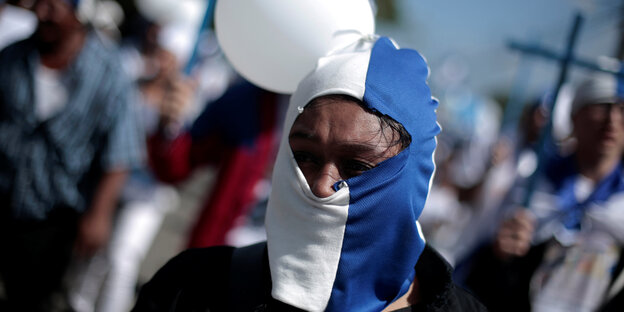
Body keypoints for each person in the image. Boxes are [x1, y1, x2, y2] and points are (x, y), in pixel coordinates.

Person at [132, 36, 486, 311]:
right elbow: (176, 164)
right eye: (303, 155)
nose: (321, 185)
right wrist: (169, 126)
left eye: (357, 166)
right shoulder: (192, 287)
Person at [0, 0, 144, 310]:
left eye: (54, 7)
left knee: (31, 299)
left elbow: (120, 152)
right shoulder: (12, 57)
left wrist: (99, 215)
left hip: (53, 217)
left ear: (81, 11)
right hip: (4, 195)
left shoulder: (109, 73)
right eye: (38, 4)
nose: (42, 14)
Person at [464, 73, 624, 312]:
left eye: (622, 109)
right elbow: (484, 263)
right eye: (601, 106)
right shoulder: (531, 184)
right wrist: (501, 253)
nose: (612, 120)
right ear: (574, 117)